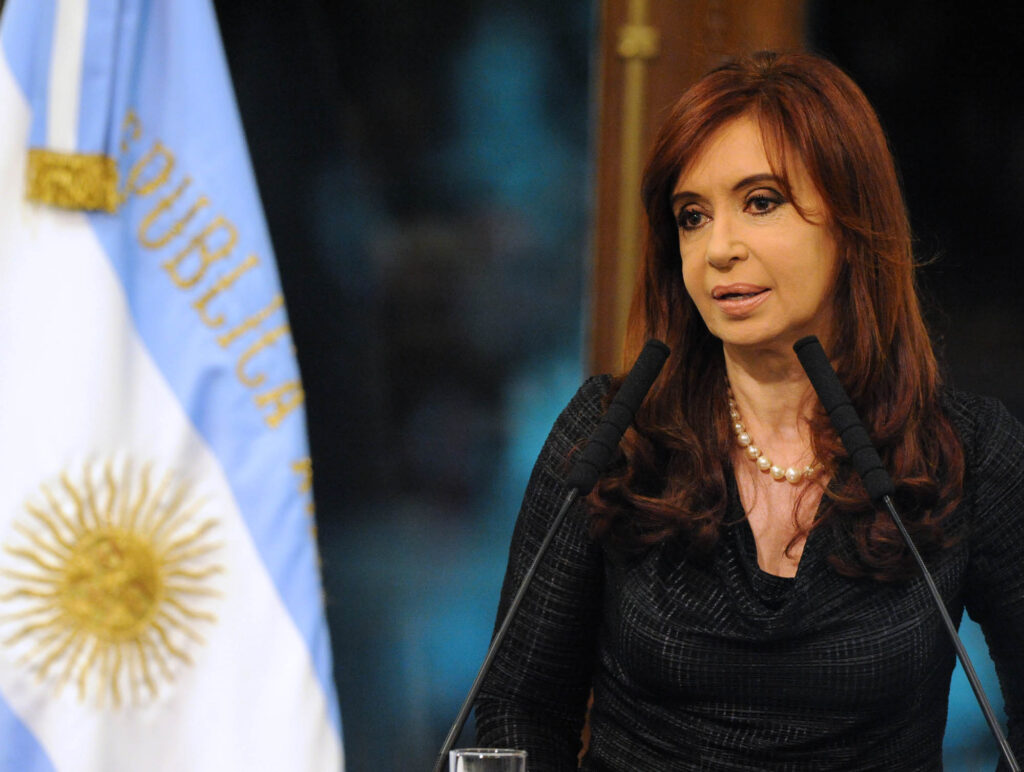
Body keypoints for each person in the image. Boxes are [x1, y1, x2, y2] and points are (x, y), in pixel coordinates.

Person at [474, 51, 1024, 770]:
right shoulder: (614, 438)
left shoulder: (967, 451)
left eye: (760, 202)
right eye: (692, 217)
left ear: (852, 221)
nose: (718, 249)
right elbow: (517, 711)